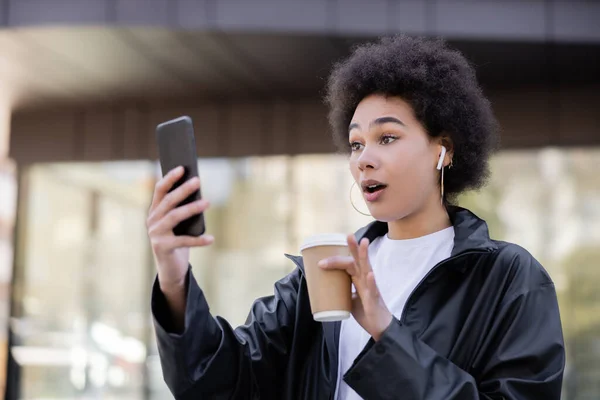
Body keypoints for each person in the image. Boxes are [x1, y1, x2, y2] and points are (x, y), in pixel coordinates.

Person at [147, 35, 565, 399]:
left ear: (444, 149)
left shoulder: (509, 279)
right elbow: (219, 383)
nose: (365, 159)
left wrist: (387, 332)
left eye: (387, 137)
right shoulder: (324, 273)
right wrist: (173, 278)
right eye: (355, 144)